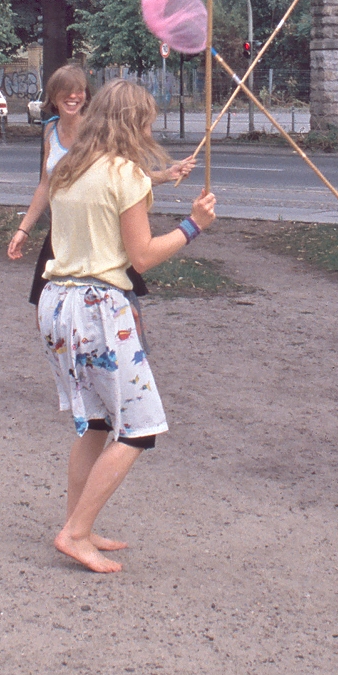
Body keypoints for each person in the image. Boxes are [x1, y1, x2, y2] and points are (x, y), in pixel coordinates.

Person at [37, 80, 217, 573]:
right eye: (148, 118)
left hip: (57, 305)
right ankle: (75, 533)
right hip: (98, 306)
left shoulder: (69, 167)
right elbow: (142, 256)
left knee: (95, 422)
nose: (151, 126)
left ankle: (81, 522)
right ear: (135, 121)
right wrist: (193, 225)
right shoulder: (126, 174)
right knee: (139, 427)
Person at [8, 64, 194, 302]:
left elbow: (120, 180)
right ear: (53, 96)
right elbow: (46, 185)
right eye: (66, 91)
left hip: (85, 251)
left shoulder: (85, 145)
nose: (73, 97)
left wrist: (166, 174)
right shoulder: (52, 132)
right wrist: (24, 228)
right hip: (75, 246)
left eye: (79, 91)